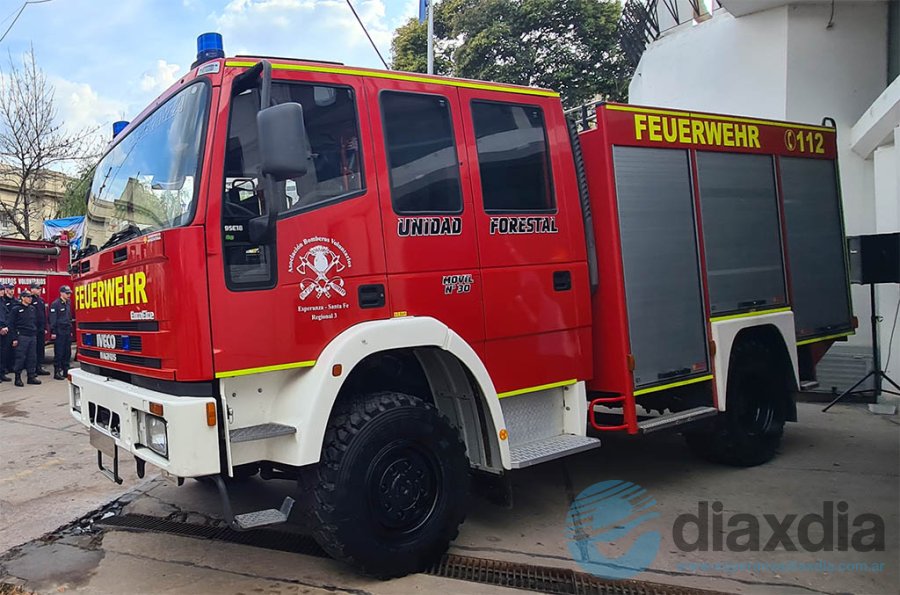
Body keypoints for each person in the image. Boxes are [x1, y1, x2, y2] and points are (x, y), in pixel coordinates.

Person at [8, 291, 41, 386]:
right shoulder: (16, 309)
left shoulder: (32, 309)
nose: (30, 299)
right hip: (22, 336)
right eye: (28, 297)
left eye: (31, 297)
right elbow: (11, 324)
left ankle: (31, 376)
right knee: (20, 357)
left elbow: (35, 322)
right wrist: (14, 338)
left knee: (32, 357)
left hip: (32, 336)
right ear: (22, 298)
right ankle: (17, 378)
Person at [49, 286, 73, 380]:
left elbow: (69, 317)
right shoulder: (55, 304)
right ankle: (57, 371)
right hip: (59, 331)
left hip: (67, 330)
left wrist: (70, 330)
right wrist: (53, 332)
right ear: (61, 293)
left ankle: (65, 370)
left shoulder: (68, 303)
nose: (69, 295)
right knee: (59, 352)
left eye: (69, 293)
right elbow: (53, 319)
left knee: (67, 352)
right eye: (67, 293)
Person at [29, 282, 50, 376]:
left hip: (41, 329)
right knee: (33, 350)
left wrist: (45, 327)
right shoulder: (30, 299)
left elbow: (43, 315)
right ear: (32, 289)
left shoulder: (41, 300)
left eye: (40, 288)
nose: (39, 290)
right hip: (33, 329)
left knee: (40, 349)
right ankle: (32, 369)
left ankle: (39, 367)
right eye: (37, 288)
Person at [1, 283, 16, 375]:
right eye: (10, 289)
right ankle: (4, 368)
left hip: (11, 327)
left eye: (13, 289)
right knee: (4, 350)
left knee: (12, 349)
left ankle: (10, 367)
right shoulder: (4, 300)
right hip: (3, 328)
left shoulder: (15, 300)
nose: (11, 291)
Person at [0, 287, 8, 382]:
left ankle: (2, 374)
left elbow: (6, 315)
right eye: (0, 290)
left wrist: (6, 327)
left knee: (3, 353)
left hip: (4, 330)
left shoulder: (3, 301)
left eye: (2, 290)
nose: (2, 291)